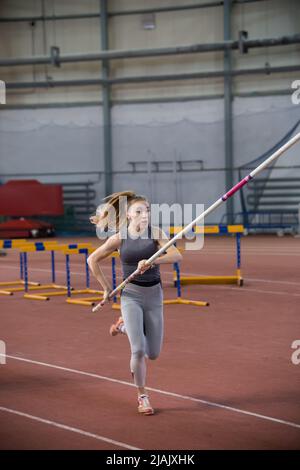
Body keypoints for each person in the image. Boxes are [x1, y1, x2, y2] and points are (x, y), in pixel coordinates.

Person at [88, 190, 182, 415]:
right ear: (128, 215)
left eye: (147, 211)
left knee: (153, 353)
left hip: (154, 296)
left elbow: (177, 255)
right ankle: (143, 397)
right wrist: (105, 288)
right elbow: (92, 259)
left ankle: (122, 327)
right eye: (139, 211)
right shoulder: (120, 237)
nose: (144, 215)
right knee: (138, 350)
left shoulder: (156, 233)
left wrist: (152, 261)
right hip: (131, 295)